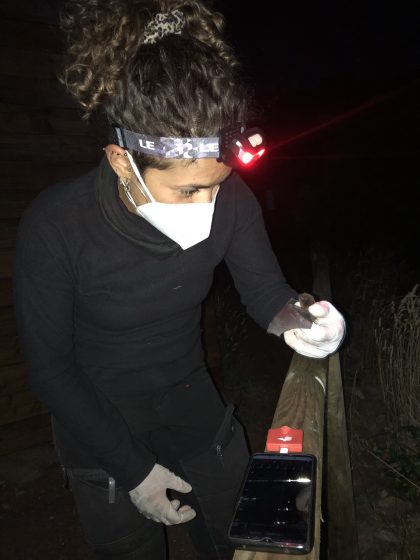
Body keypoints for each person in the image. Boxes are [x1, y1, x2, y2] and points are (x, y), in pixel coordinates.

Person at [12, 1, 346, 559]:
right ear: (123, 162)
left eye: (216, 185)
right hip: (95, 421)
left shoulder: (231, 200)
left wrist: (303, 322)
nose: (209, 204)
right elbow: (50, 369)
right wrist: (135, 471)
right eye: (188, 192)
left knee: (253, 535)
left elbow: (265, 293)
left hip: (191, 402)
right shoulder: (56, 225)